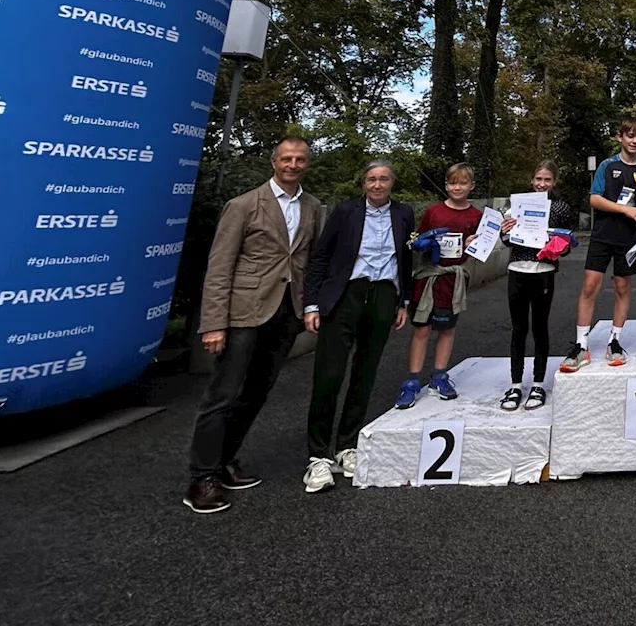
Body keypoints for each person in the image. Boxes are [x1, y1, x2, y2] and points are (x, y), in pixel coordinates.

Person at [183, 137, 321, 514]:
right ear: (274, 162)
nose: (293, 165)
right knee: (223, 395)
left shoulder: (311, 207)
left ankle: (225, 460)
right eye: (287, 159)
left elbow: (308, 261)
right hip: (243, 313)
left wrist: (309, 306)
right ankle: (201, 478)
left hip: (286, 314)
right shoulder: (243, 205)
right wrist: (213, 324)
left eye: (300, 159)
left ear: (307, 164)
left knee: (257, 392)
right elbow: (220, 266)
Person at [301, 160, 414, 493]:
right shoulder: (346, 212)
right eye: (371, 179)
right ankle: (318, 456)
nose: (377, 185)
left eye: (383, 179)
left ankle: (346, 445)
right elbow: (321, 256)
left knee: (365, 374)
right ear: (363, 183)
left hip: (383, 296)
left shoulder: (404, 213)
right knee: (329, 375)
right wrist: (312, 304)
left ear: (392, 183)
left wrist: (403, 301)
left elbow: (405, 259)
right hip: (345, 294)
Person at [560, 118, 636, 372]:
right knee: (590, 286)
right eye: (630, 136)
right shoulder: (607, 165)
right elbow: (594, 199)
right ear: (620, 138)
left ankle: (614, 341)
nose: (634, 141)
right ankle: (581, 345)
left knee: (622, 288)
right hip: (603, 234)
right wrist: (624, 210)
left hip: (630, 239)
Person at [395, 163, 482, 408]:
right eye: (453, 183)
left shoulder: (476, 216)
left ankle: (439, 375)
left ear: (471, 186)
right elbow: (417, 240)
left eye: (462, 183)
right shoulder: (434, 211)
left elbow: (480, 248)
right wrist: (423, 243)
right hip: (428, 277)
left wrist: (473, 243)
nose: (457, 187)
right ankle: (412, 380)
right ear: (446, 185)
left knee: (446, 328)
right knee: (422, 328)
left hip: (453, 280)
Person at [498, 161, 575, 411]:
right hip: (517, 269)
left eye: (547, 180)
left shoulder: (561, 207)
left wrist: (557, 245)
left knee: (540, 327)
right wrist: (504, 231)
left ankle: (539, 383)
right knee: (518, 328)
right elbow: (508, 240)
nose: (542, 184)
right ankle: (516, 384)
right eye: (538, 179)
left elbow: (566, 244)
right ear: (532, 180)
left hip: (543, 272)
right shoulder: (517, 205)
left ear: (555, 182)